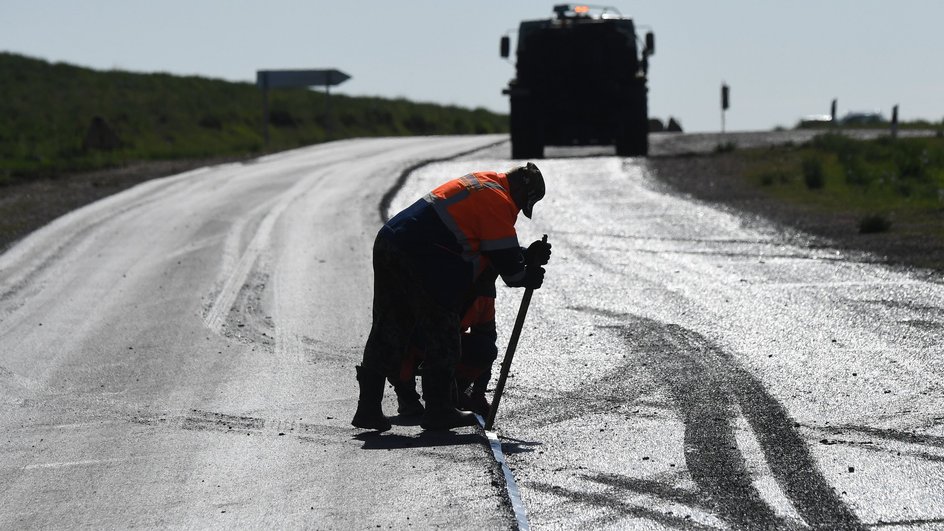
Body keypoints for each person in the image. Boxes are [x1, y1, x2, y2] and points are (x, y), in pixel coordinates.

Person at [352, 163, 552, 431]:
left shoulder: (484, 182)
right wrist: (528, 274)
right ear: (519, 189)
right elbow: (512, 274)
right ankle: (439, 410)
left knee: (389, 327)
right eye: (522, 203)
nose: (517, 209)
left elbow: (489, 246)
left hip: (392, 241)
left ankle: (368, 409)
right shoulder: (498, 200)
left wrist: (526, 255)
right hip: (425, 256)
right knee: (443, 332)